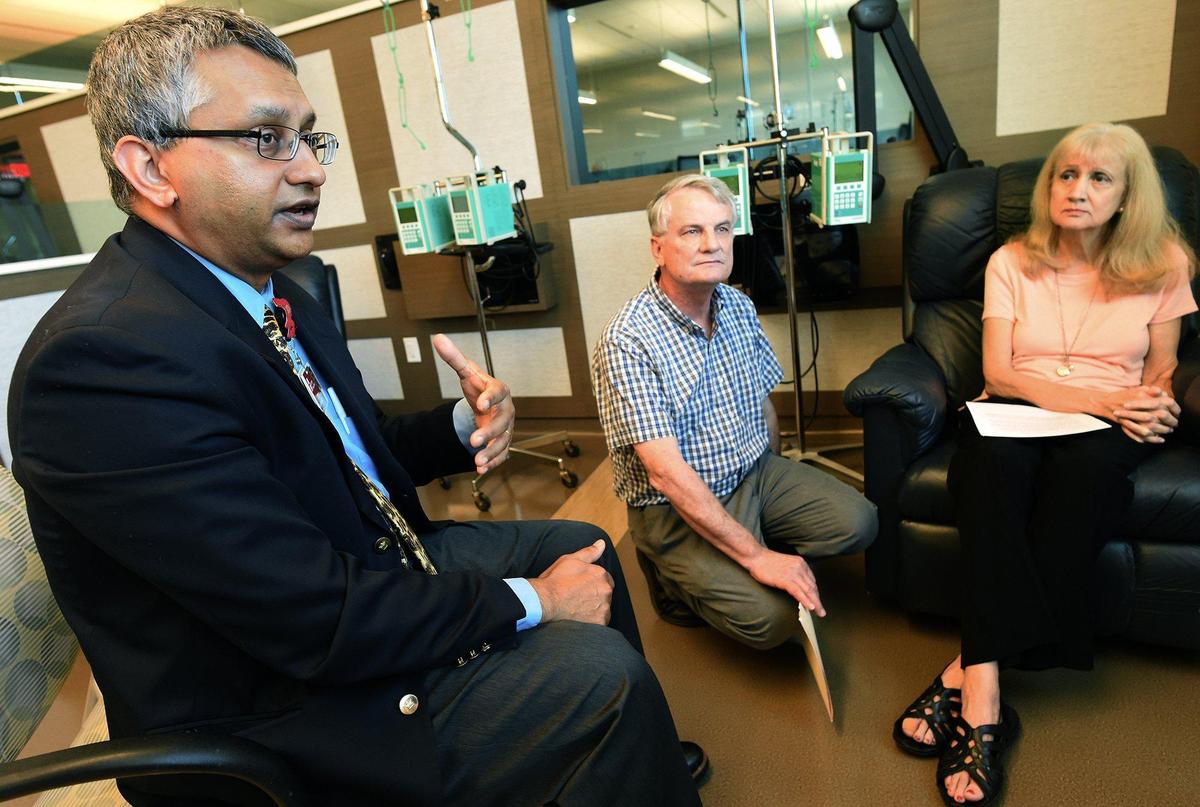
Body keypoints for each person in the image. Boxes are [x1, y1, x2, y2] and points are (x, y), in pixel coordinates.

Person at [7, 8, 703, 806]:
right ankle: (612, 732)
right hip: (282, 707)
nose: (310, 169)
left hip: (364, 571)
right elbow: (314, 620)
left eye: (310, 138)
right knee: (599, 679)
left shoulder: (270, 289)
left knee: (583, 538)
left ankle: (616, 761)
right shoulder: (104, 363)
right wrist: (539, 601)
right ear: (150, 167)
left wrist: (456, 427)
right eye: (268, 139)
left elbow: (346, 455)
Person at [892, 122, 1197, 807]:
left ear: (1126, 196)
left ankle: (966, 673)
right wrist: (1104, 397)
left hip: (1109, 419)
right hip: (1018, 402)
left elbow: (1164, 362)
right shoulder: (1010, 259)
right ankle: (988, 701)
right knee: (987, 474)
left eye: (1099, 178)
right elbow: (998, 369)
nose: (1078, 189)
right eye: (1066, 174)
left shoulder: (1165, 260)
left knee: (1086, 481)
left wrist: (1153, 402)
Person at [591, 174, 878, 651]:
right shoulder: (628, 340)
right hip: (673, 505)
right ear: (657, 248)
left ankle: (747, 537)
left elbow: (762, 403)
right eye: (691, 232)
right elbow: (665, 475)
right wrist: (758, 557)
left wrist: (776, 480)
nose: (712, 244)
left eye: (722, 229)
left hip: (752, 473)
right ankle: (670, 580)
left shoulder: (738, 306)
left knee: (860, 522)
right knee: (774, 622)